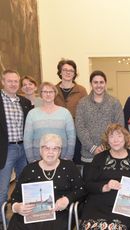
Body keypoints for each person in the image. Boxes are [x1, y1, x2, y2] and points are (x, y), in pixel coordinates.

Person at [7, 133, 86, 230]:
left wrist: (67, 199)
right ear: (40, 150)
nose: (50, 152)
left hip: (59, 212)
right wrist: (17, 207)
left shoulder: (69, 167)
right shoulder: (29, 169)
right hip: (30, 214)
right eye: (46, 148)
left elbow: (82, 189)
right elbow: (15, 196)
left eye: (55, 148)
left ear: (60, 151)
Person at [80, 123, 130, 229]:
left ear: (125, 138)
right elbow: (87, 185)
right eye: (111, 136)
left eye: (119, 136)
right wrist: (106, 186)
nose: (115, 140)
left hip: (125, 205)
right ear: (107, 140)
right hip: (98, 204)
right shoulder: (99, 158)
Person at [0, 70, 33, 218]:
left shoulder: (24, 102)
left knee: (26, 184)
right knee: (3, 187)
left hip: (23, 149)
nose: (13, 84)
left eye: (15, 81)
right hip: (5, 149)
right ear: (3, 81)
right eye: (9, 81)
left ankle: (24, 216)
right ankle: (2, 220)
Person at [75, 70, 124, 165]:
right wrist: (93, 148)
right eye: (95, 82)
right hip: (88, 155)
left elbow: (119, 126)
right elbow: (80, 127)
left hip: (110, 152)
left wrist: (105, 146)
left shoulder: (114, 102)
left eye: (101, 82)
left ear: (105, 83)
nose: (98, 85)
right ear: (91, 84)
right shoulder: (82, 103)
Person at [23, 82, 76, 163]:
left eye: (51, 92)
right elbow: (27, 139)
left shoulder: (65, 113)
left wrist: (68, 157)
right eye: (45, 92)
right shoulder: (32, 114)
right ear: (41, 94)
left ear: (55, 94)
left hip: (62, 159)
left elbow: (72, 137)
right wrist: (31, 160)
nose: (48, 94)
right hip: (38, 160)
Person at [54, 59, 87, 164]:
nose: (68, 72)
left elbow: (86, 111)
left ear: (74, 74)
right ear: (60, 72)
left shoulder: (81, 90)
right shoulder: (53, 90)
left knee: (76, 161)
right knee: (58, 161)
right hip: (57, 132)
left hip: (77, 132)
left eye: (71, 70)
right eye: (65, 70)